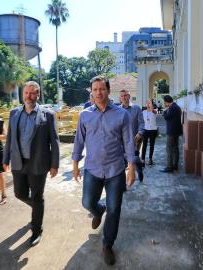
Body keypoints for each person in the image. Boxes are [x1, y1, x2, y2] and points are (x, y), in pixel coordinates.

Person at [72, 76, 136, 266]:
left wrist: (131, 168)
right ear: (91, 92)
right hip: (92, 168)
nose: (98, 93)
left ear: (108, 91)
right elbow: (79, 141)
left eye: (102, 89)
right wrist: (75, 165)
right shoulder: (85, 115)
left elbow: (129, 143)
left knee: (115, 209)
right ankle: (98, 211)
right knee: (87, 202)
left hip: (115, 170)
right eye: (95, 89)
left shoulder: (121, 115)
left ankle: (108, 244)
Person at [3, 81, 60, 247]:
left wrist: (54, 164)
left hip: (39, 163)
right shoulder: (14, 113)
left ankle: (36, 230)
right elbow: (9, 140)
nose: (29, 96)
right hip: (18, 162)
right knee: (19, 194)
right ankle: (37, 208)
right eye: (26, 93)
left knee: (37, 197)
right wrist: (5, 159)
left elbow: (54, 141)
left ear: (38, 95)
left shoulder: (48, 115)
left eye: (32, 93)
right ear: (23, 95)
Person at [119, 89, 145, 182]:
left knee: (134, 158)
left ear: (129, 96)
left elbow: (142, 123)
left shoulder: (136, 108)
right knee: (122, 161)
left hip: (135, 139)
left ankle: (139, 170)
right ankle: (123, 183)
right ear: (120, 98)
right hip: (121, 140)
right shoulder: (118, 110)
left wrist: (140, 133)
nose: (124, 97)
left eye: (126, 95)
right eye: (122, 96)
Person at [161, 95, 183, 173]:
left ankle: (169, 167)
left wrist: (164, 111)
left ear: (167, 102)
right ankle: (175, 165)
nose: (164, 104)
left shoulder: (173, 107)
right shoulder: (175, 106)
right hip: (176, 131)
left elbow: (166, 117)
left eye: (164, 102)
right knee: (175, 148)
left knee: (169, 149)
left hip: (172, 132)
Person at [141, 99, 158, 165]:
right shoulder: (144, 112)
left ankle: (150, 158)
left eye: (149, 103)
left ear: (152, 104)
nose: (147, 104)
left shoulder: (154, 111)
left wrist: (151, 104)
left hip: (153, 130)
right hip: (146, 130)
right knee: (144, 145)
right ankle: (143, 159)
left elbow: (152, 110)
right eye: (146, 103)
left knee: (151, 145)